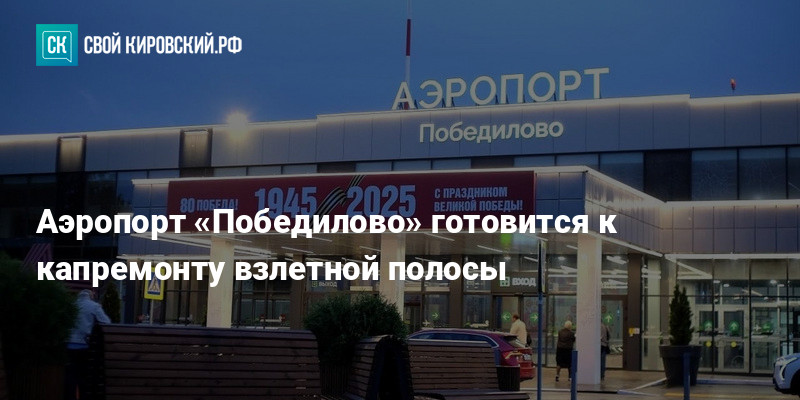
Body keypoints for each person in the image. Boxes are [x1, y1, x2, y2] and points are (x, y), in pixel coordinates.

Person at [65, 289, 111, 400]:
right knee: (83, 376)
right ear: (91, 296)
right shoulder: (94, 306)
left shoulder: (71, 305)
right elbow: (106, 322)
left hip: (68, 344)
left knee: (70, 375)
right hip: (84, 345)